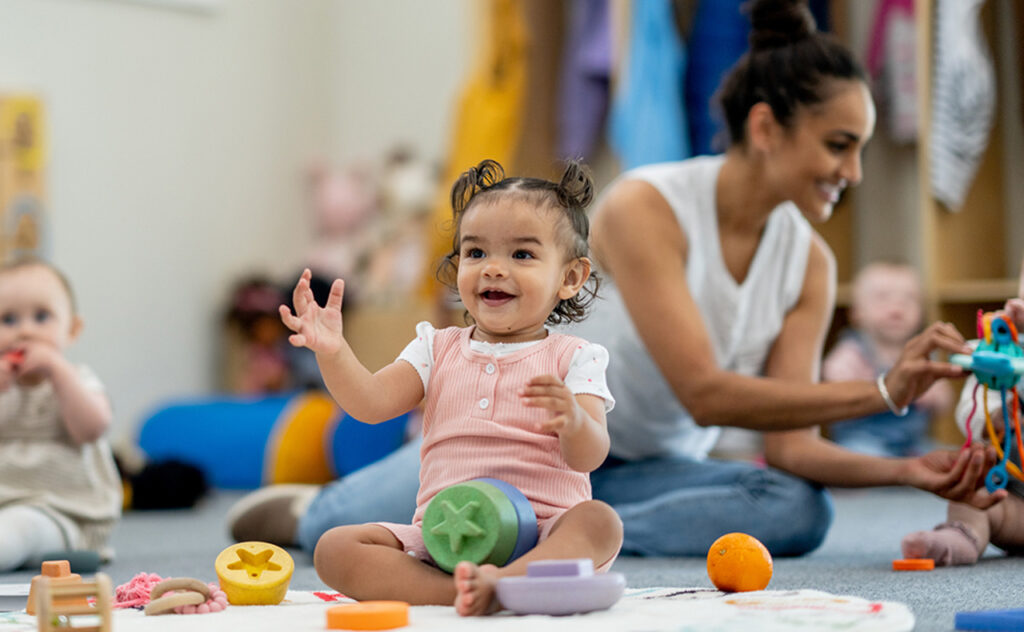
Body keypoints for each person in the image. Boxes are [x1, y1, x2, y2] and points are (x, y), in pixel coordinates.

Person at [228, 0, 1000, 560]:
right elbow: (704, 389)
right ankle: (334, 508)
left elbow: (793, 447)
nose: (853, 171)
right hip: (504, 446)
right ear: (766, 128)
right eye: (839, 144)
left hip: (616, 461)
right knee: (339, 525)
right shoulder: (646, 206)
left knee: (796, 511)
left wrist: (908, 469)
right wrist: (886, 390)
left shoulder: (809, 261)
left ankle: (555, 536)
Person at [277, 159, 621, 615]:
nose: (493, 269)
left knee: (600, 523)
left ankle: (510, 580)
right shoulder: (436, 347)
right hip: (445, 540)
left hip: (545, 531)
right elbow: (370, 403)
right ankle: (464, 591)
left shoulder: (575, 357)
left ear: (570, 278)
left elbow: (589, 455)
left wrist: (575, 421)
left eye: (521, 255)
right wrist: (333, 351)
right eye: (476, 253)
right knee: (335, 547)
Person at [901, 258, 1024, 565]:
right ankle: (960, 535)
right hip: (1017, 506)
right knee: (975, 495)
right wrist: (994, 417)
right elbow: (974, 400)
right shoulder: (1007, 354)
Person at [0, 258, 121, 572]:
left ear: (72, 329)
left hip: (62, 510)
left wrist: (58, 371)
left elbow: (92, 428)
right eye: (8, 319)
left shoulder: (77, 378)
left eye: (42, 317)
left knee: (20, 529)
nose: (25, 331)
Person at [822, 262, 953, 457]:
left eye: (909, 299)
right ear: (857, 312)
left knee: (948, 456)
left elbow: (944, 401)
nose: (896, 307)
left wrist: (932, 394)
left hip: (911, 443)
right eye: (882, 298)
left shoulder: (921, 353)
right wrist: (858, 382)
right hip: (861, 439)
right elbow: (831, 380)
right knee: (858, 456)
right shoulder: (853, 351)